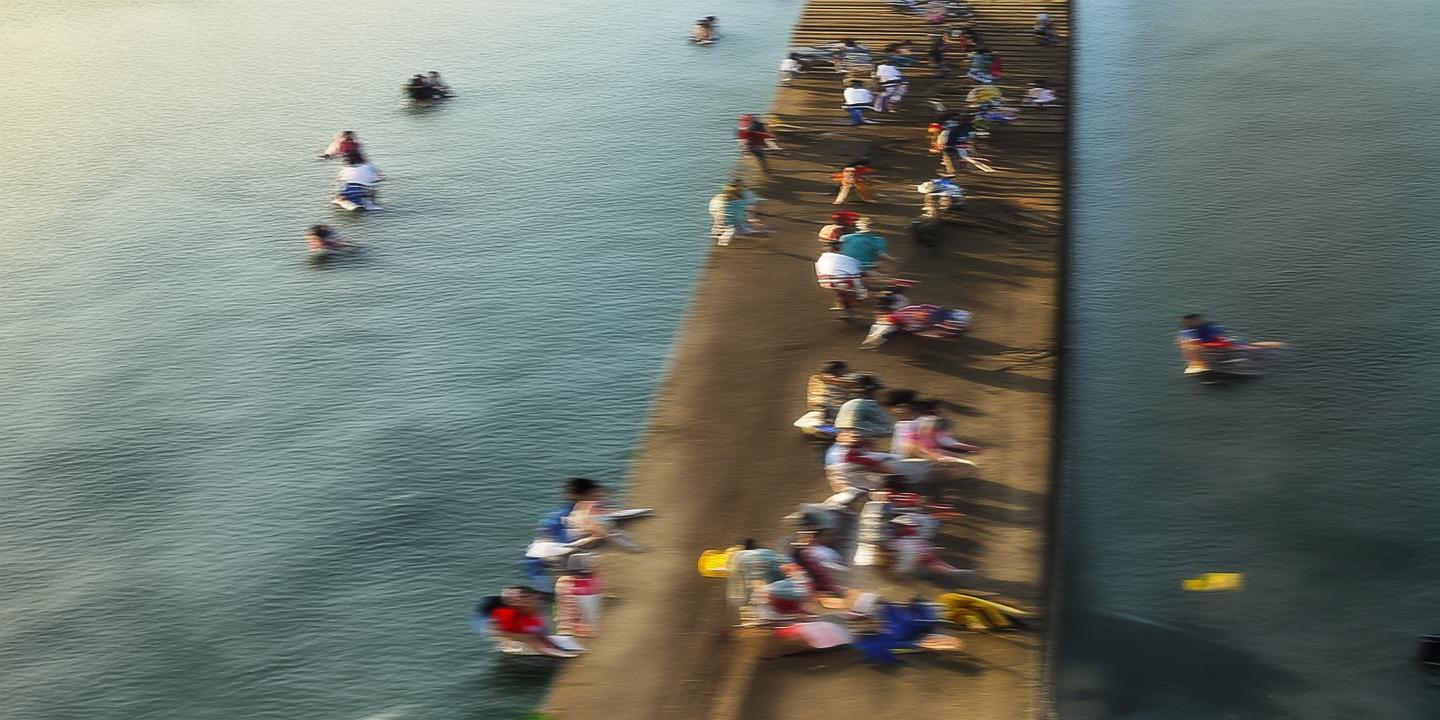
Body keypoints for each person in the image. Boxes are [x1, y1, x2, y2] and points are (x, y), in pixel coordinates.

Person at [481, 587, 582, 657]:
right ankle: (562, 653)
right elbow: (538, 645)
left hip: (520, 627)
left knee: (540, 635)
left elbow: (540, 632)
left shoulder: (527, 613)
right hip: (514, 630)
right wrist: (567, 655)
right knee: (536, 640)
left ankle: (559, 649)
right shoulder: (508, 615)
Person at [816, 242, 866, 317]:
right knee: (858, 291)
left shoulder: (820, 260)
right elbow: (857, 269)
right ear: (835, 251)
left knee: (840, 291)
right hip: (845, 280)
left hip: (826, 281)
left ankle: (842, 305)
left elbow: (819, 272)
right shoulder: (846, 258)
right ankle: (853, 303)